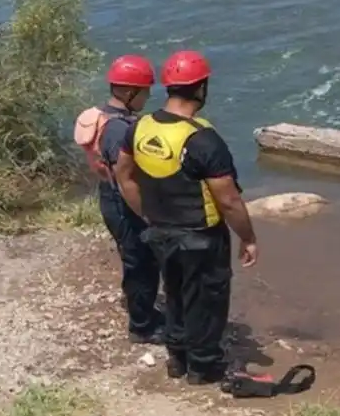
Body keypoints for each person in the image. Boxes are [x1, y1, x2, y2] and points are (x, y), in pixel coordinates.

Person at [113, 50, 258, 384]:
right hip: (201, 235)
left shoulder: (140, 127)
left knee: (175, 292)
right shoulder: (203, 139)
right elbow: (229, 200)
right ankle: (203, 367)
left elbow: (124, 175)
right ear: (201, 88)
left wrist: (146, 214)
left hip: (160, 231)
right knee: (207, 299)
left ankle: (177, 358)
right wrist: (248, 237)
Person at [74, 54, 164, 344]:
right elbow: (125, 179)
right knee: (142, 261)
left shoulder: (105, 117)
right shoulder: (118, 130)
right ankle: (142, 326)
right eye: (144, 92)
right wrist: (147, 215)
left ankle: (143, 309)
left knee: (134, 256)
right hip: (123, 202)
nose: (147, 97)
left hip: (110, 196)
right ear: (129, 93)